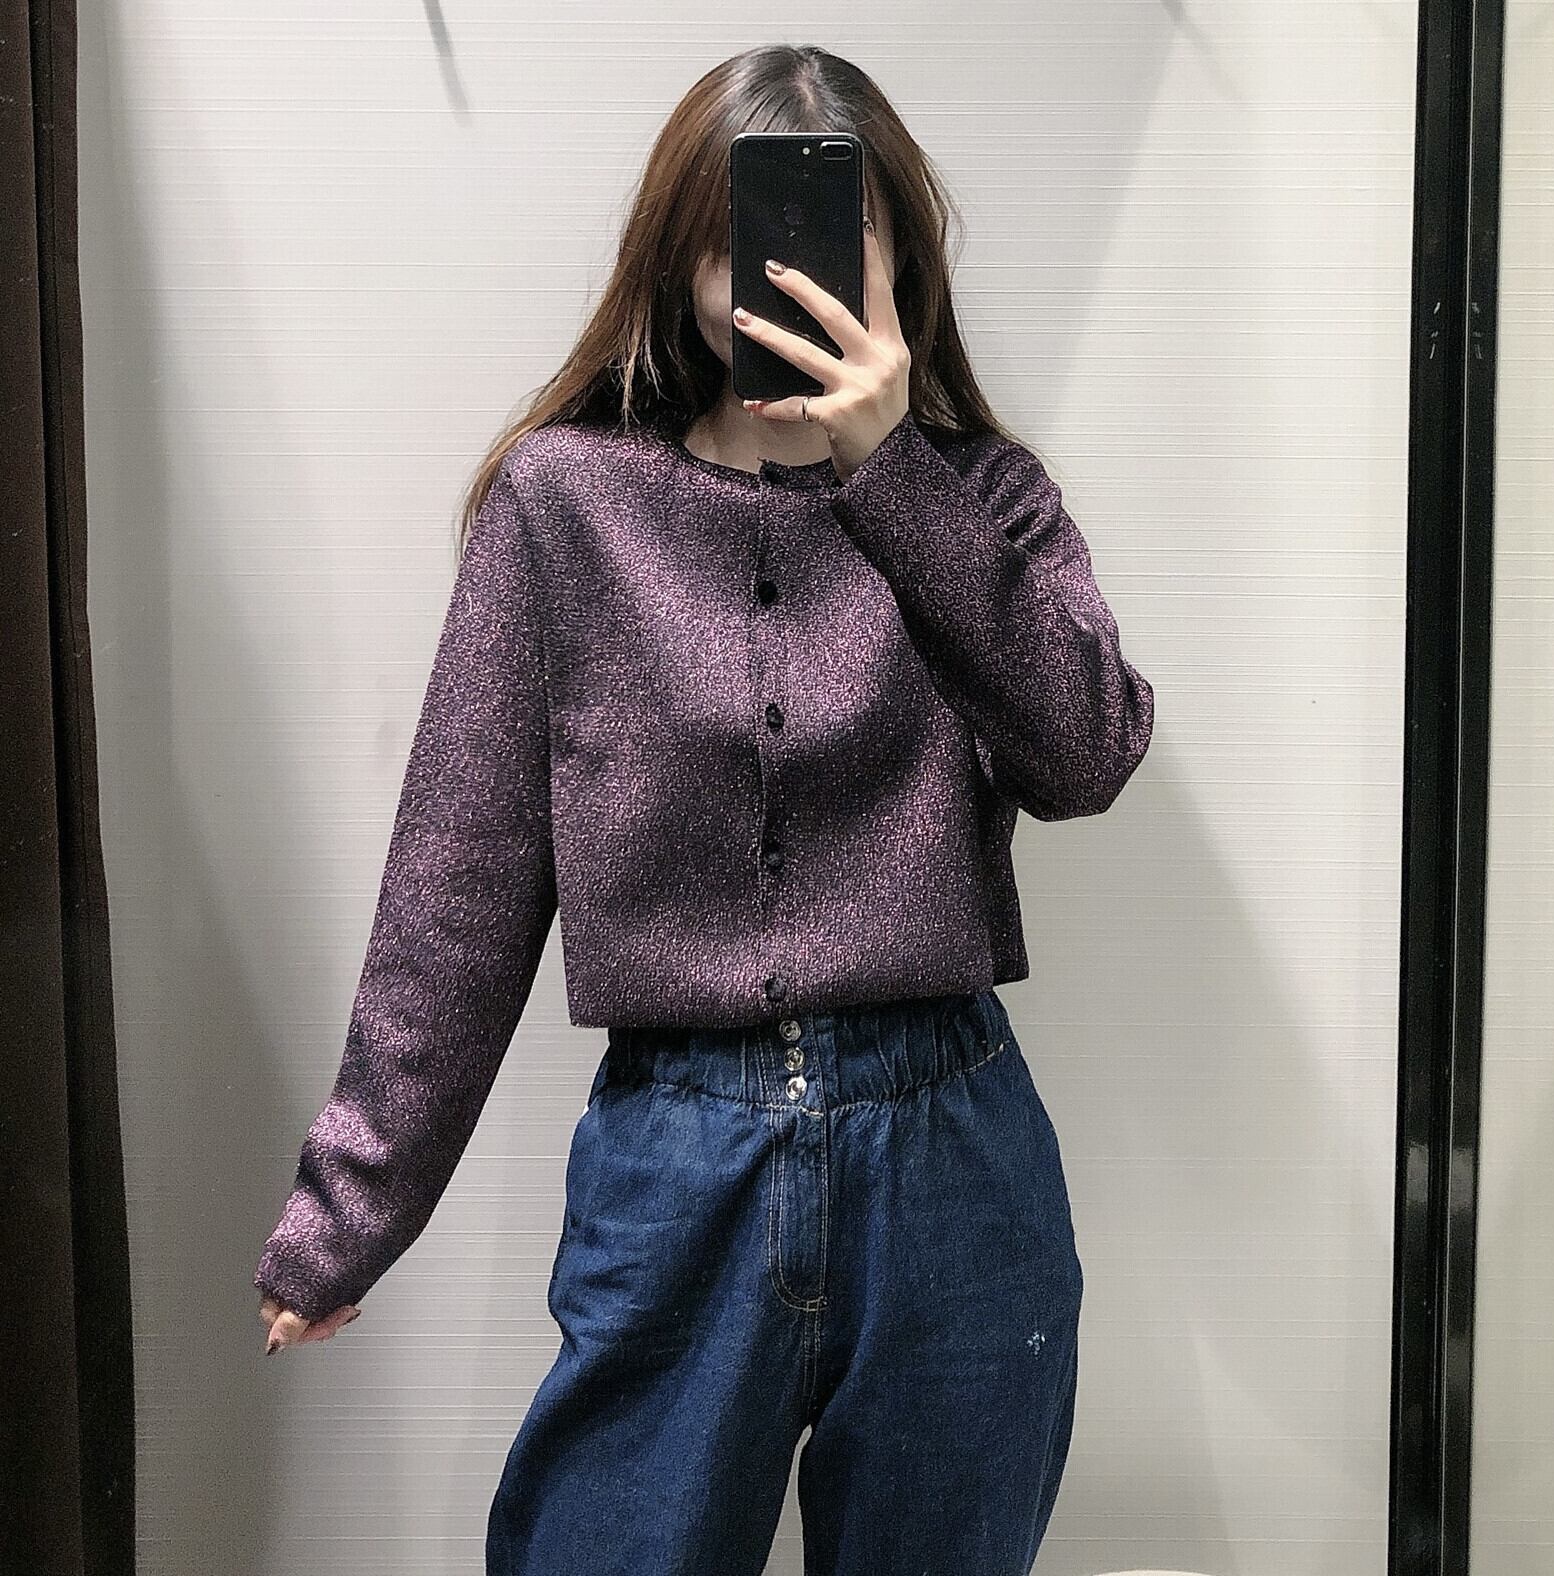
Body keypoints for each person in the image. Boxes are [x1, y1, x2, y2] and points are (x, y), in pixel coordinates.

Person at [254, 41, 1155, 1576]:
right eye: (743, 244)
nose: (781, 280)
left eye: (832, 237)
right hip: (680, 1164)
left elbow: (1086, 754)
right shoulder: (564, 508)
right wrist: (352, 1211)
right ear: (681, 265)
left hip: (954, 1161)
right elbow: (458, 886)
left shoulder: (985, 501)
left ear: (900, 261)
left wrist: (890, 472)